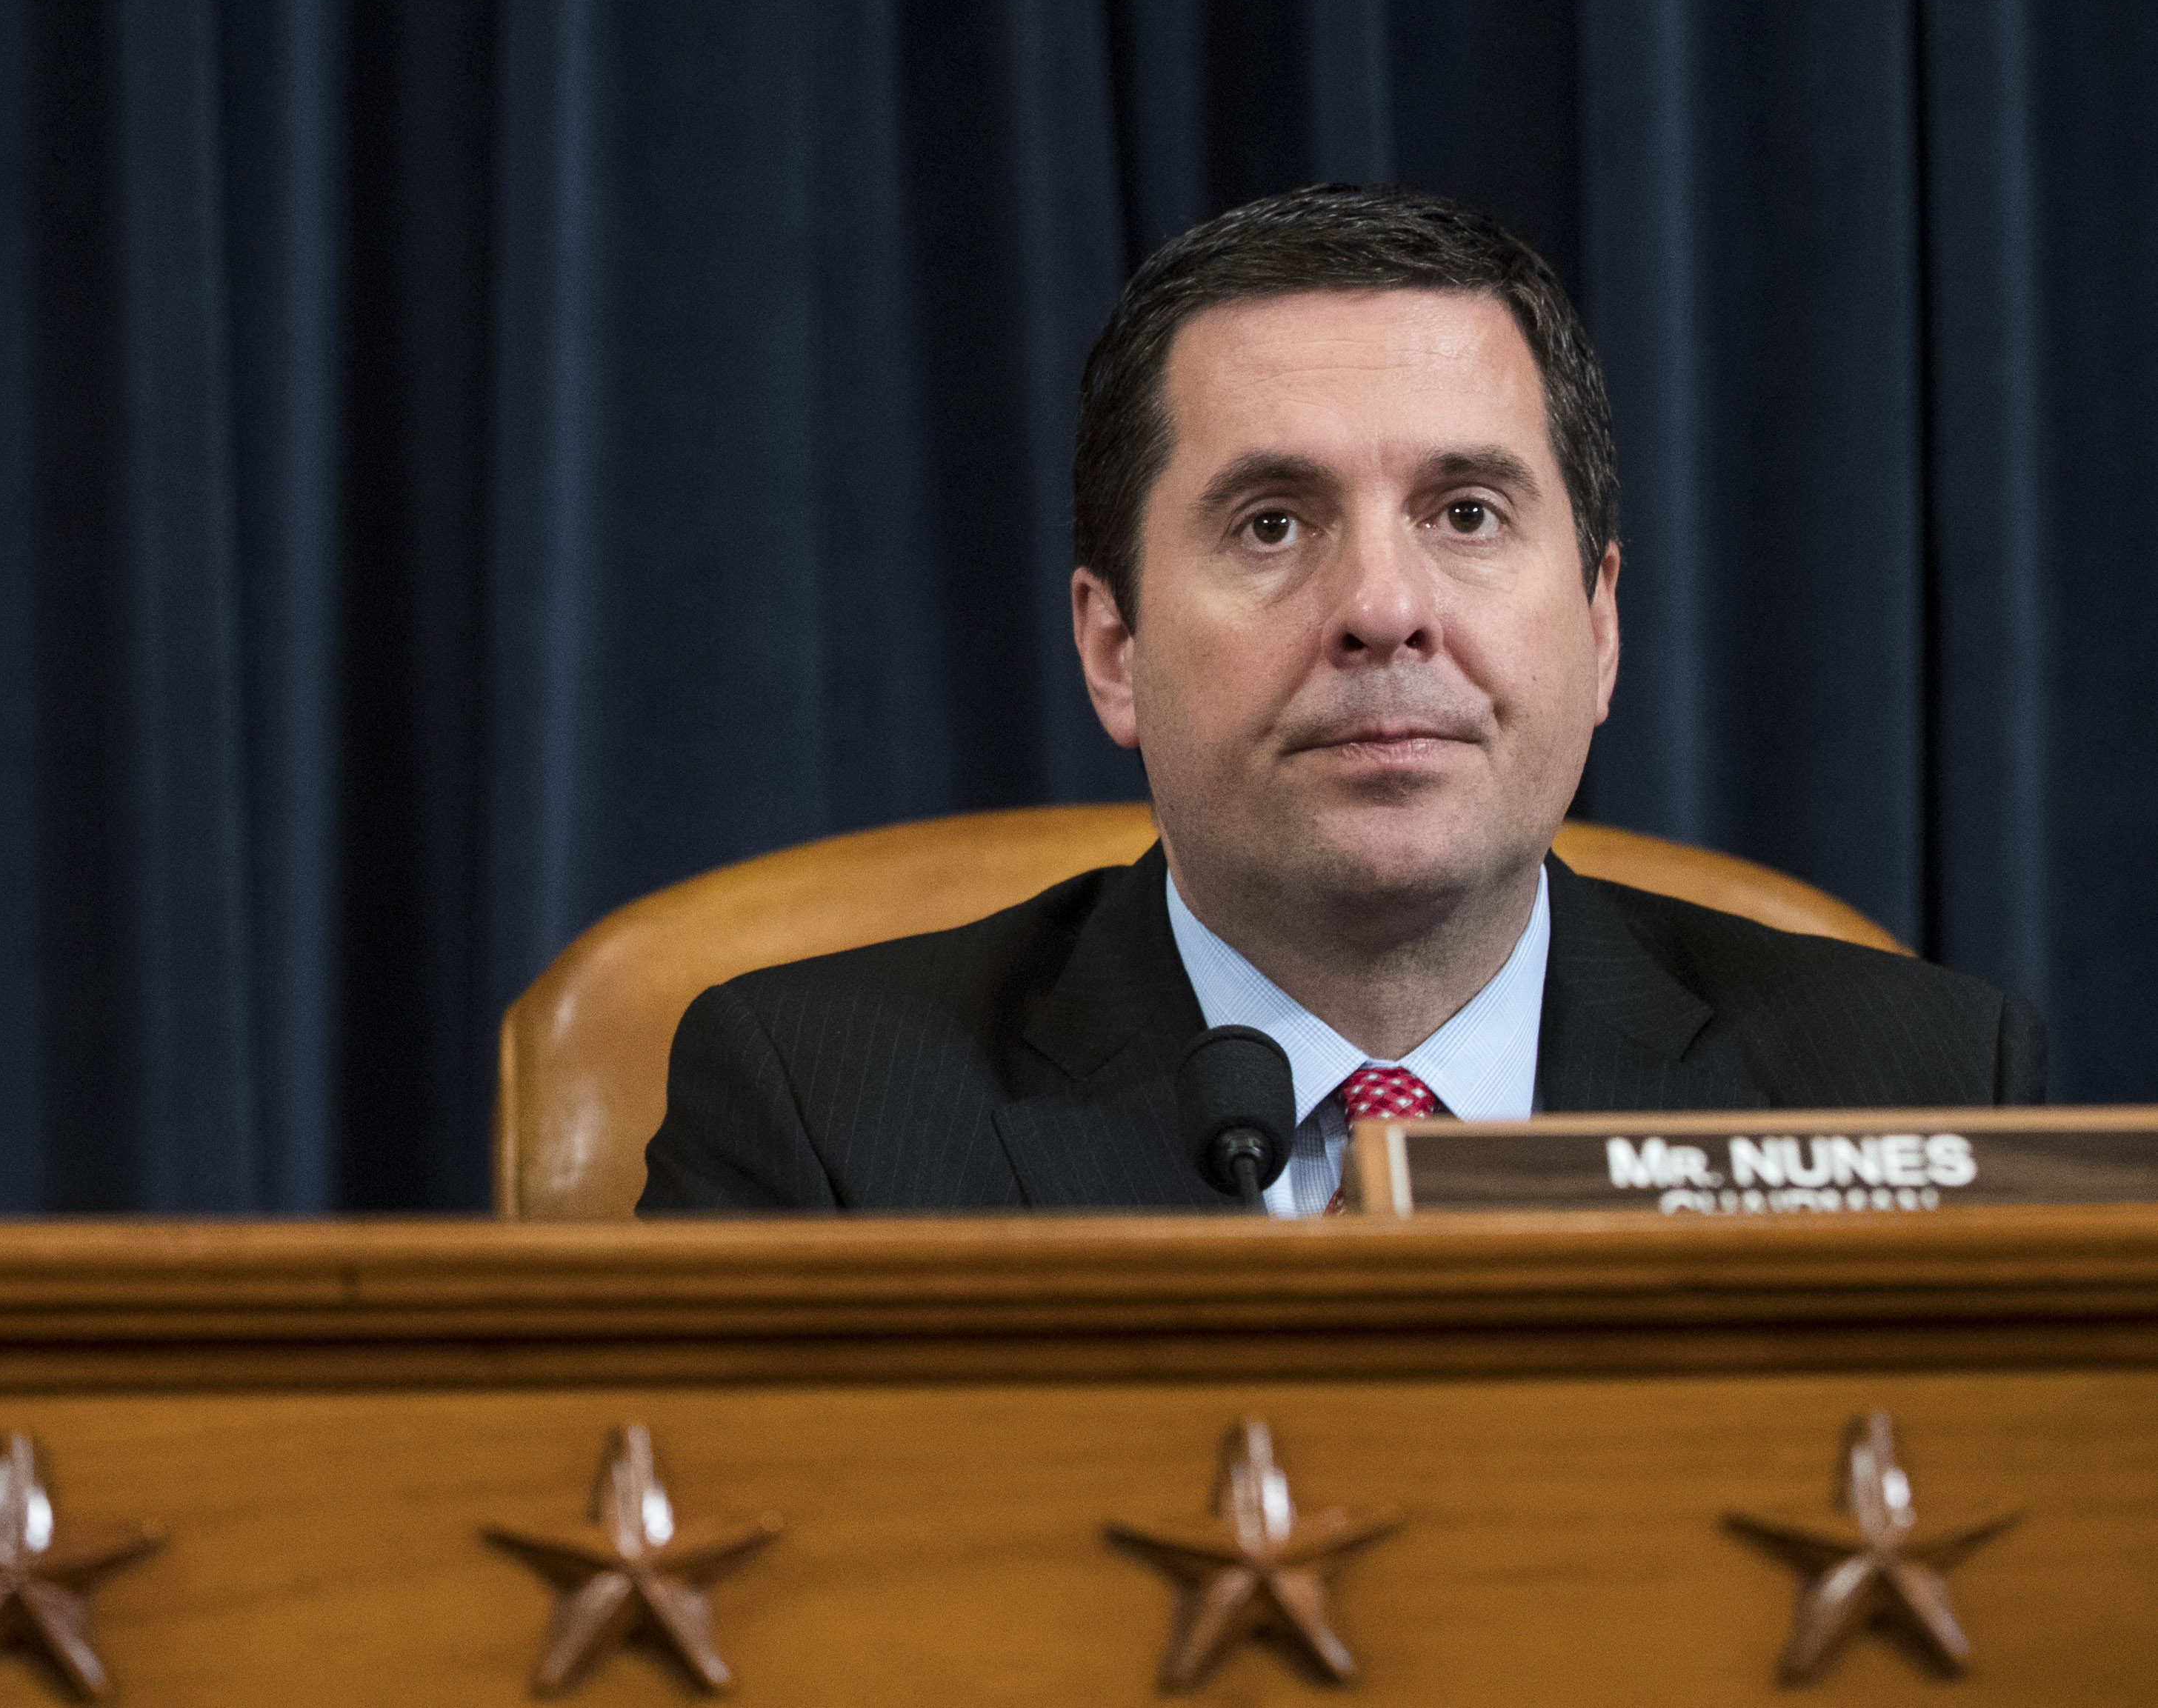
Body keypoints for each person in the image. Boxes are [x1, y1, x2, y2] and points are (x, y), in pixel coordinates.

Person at [641, 185, 2042, 1216]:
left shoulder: (1923, 1091)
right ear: (1112, 645)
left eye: (1469, 510)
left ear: (1601, 625)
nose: (1384, 604)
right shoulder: (820, 1119)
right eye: (1270, 525)